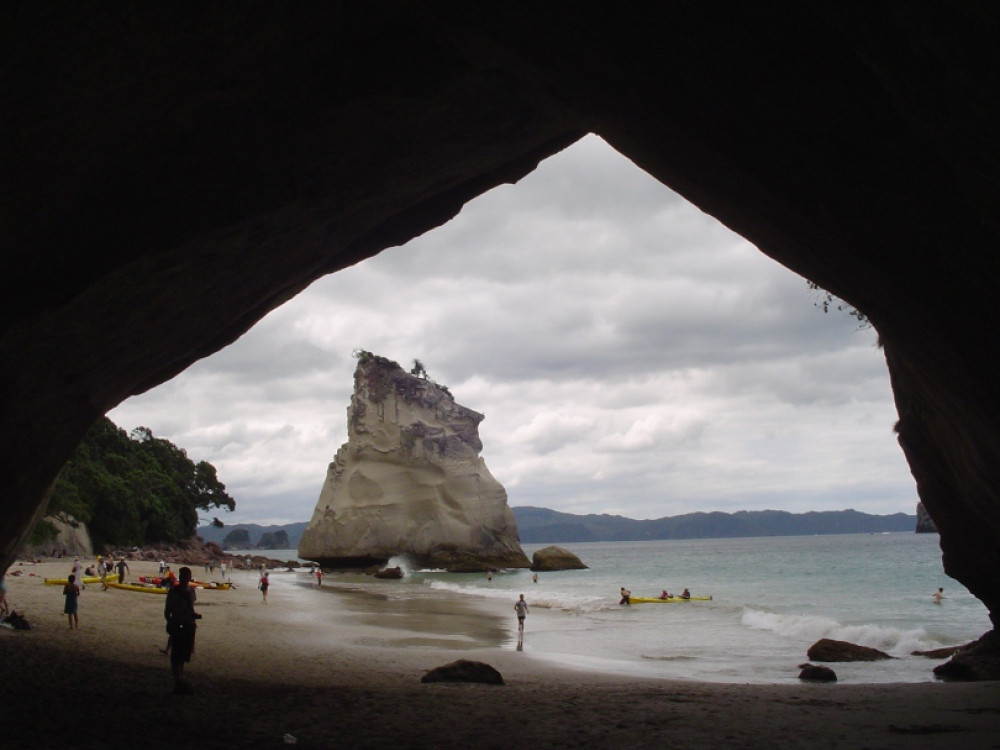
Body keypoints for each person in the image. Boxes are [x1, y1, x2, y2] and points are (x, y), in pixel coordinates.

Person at [164, 566, 200, 695]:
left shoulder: (190, 591)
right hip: (179, 624)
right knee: (176, 655)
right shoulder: (174, 591)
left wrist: (194, 617)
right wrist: (171, 624)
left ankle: (179, 680)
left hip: (188, 625)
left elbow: (190, 609)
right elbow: (168, 612)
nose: (186, 579)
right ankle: (178, 680)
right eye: (185, 576)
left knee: (183, 655)